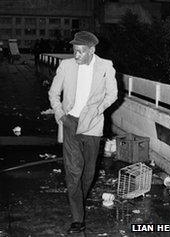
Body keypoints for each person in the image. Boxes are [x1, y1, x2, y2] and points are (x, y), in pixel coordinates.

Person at [48, 31, 118, 234]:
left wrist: (98, 108)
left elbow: (113, 94)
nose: (76, 55)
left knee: (88, 172)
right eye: (74, 50)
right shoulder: (66, 66)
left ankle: (79, 197)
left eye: (80, 51)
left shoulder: (106, 67)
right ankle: (78, 218)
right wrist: (61, 116)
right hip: (70, 122)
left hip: (93, 126)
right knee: (73, 171)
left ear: (91, 50)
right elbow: (53, 93)